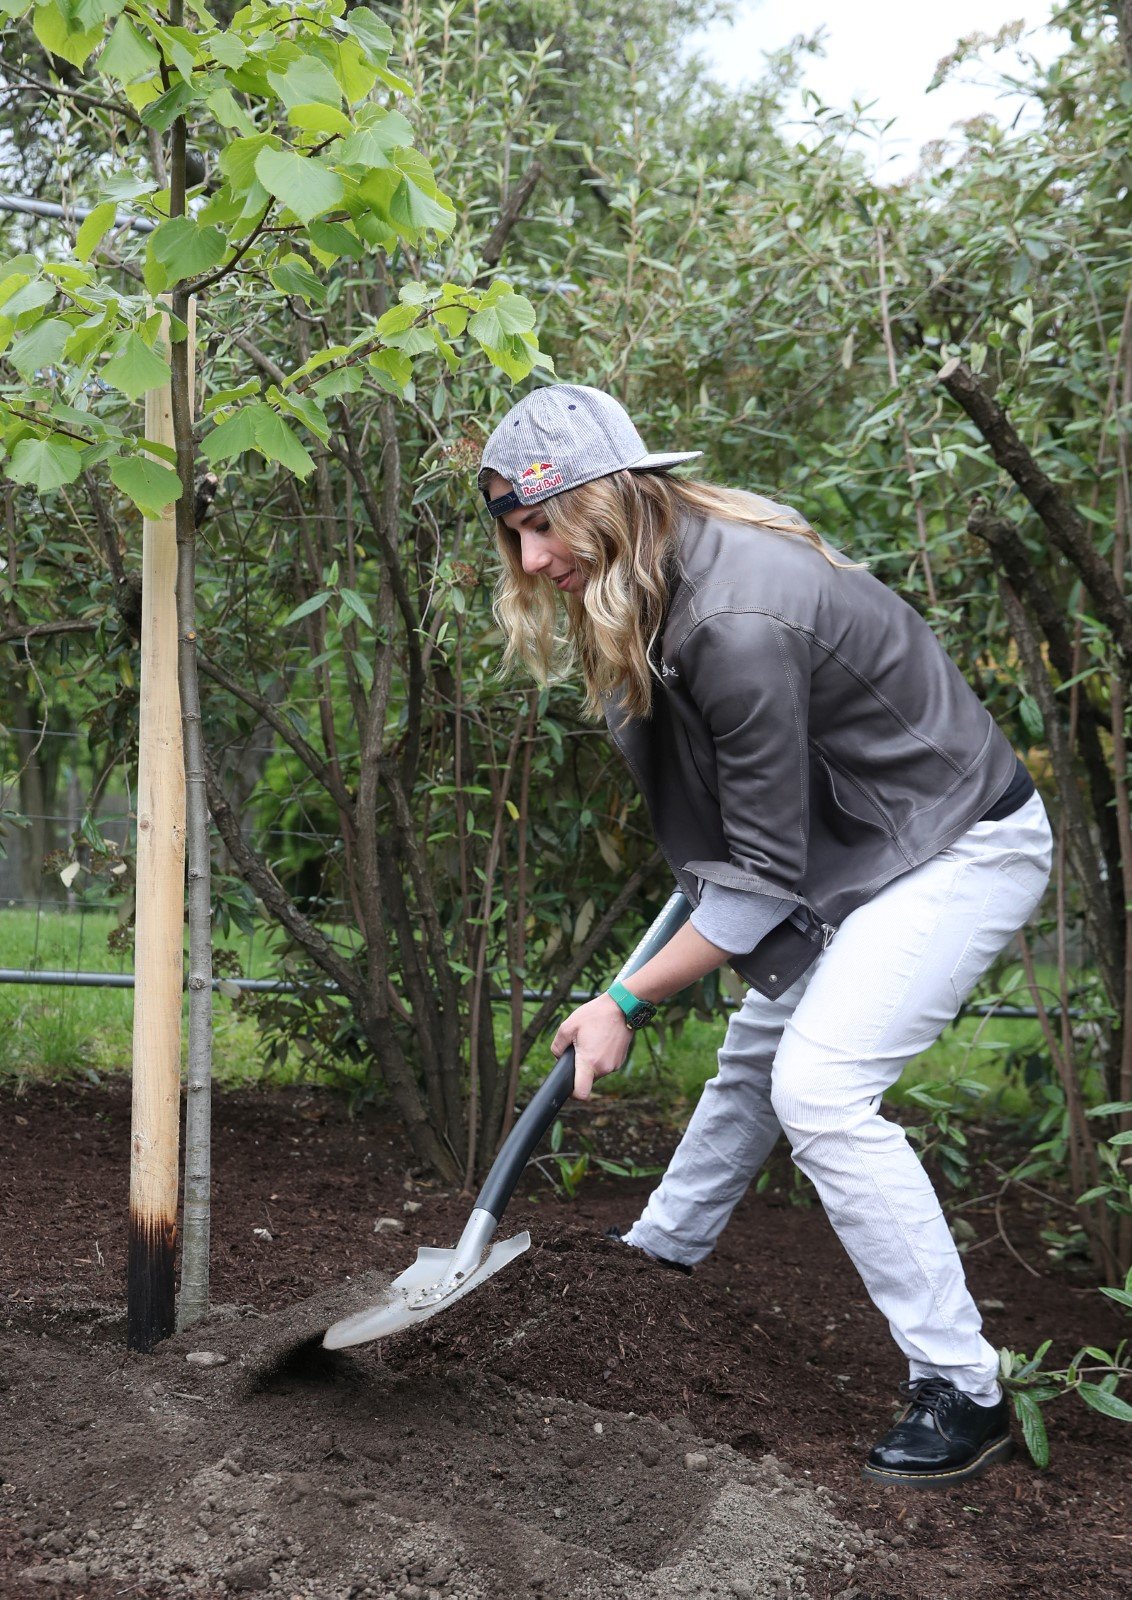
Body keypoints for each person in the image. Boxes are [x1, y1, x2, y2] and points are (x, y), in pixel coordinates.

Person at [478, 383, 1051, 1488]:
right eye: (516, 533)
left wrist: (627, 999)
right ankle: (658, 1255)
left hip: (953, 846)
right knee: (759, 1052)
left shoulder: (737, 617)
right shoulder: (657, 575)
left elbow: (761, 878)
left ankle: (964, 1386)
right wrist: (689, 924)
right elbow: (740, 840)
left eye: (546, 525)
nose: (535, 556)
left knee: (819, 1085)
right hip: (866, 845)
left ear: (609, 500)